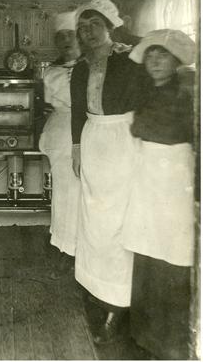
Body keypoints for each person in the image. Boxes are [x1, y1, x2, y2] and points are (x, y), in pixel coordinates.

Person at [70, 0, 147, 344]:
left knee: (118, 223)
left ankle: (118, 304)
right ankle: (95, 289)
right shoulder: (80, 68)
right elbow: (76, 112)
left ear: (110, 27)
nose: (87, 34)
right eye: (82, 29)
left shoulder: (130, 60)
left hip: (123, 141)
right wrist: (76, 149)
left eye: (94, 26)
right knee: (93, 222)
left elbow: (145, 101)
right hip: (93, 139)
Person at [121, 29, 195, 359]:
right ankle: (144, 336)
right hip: (146, 179)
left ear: (176, 60)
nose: (154, 61)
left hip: (176, 182)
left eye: (162, 55)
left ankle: (173, 343)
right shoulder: (144, 92)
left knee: (174, 256)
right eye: (150, 55)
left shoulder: (190, 95)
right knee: (146, 253)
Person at [39, 11, 81, 264]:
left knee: (84, 190)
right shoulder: (51, 72)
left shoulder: (92, 65)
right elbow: (54, 102)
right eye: (60, 36)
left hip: (89, 129)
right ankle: (64, 243)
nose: (66, 40)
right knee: (64, 189)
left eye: (70, 34)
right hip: (62, 132)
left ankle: (82, 244)